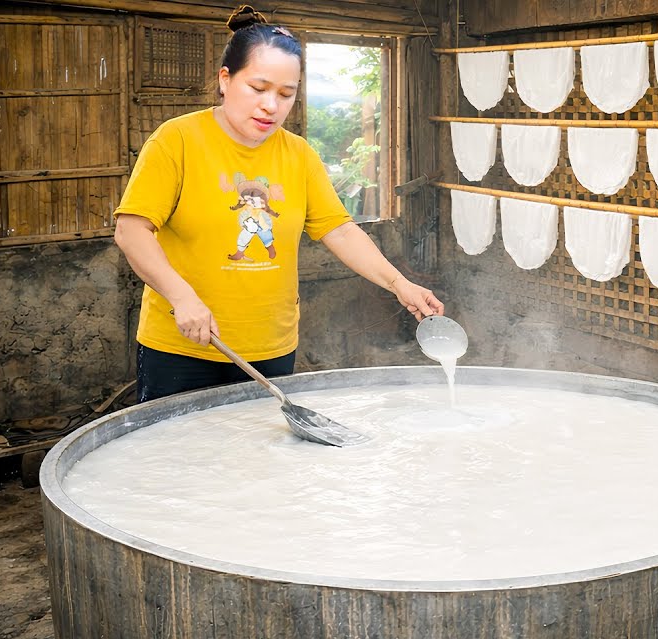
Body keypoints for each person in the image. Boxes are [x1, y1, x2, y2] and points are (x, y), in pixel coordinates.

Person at [113, 6, 444, 402]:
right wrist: (182, 297)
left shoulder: (299, 155)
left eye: (286, 94)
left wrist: (398, 284)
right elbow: (131, 230)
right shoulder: (177, 140)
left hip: (272, 349)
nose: (272, 105)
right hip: (183, 347)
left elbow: (337, 228)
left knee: (261, 462)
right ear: (225, 79)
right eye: (258, 88)